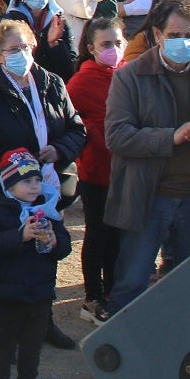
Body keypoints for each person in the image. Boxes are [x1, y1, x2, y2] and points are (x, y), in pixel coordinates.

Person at [104, 0, 190, 314]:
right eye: (174, 33)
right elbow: (117, 136)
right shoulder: (130, 77)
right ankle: (123, 355)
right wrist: (172, 137)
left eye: (188, 34)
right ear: (157, 34)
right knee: (131, 282)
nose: (182, 41)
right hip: (148, 198)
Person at [0, 17, 86, 348]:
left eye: (26, 47)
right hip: (5, 192)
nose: (22, 54)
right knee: (10, 256)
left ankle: (44, 322)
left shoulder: (52, 83)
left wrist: (59, 149)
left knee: (45, 251)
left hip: (46, 186)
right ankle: (9, 330)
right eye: (13, 49)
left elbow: (76, 128)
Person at [0, 148, 71, 379]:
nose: (34, 187)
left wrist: (54, 242)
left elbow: (63, 245)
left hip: (40, 290)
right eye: (26, 182)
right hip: (8, 291)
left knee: (32, 343)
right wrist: (21, 236)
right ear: (9, 185)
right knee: (4, 342)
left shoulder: (49, 210)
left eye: (37, 180)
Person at [65, 17, 123, 324]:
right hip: (96, 170)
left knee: (118, 232)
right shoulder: (81, 82)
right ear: (91, 48)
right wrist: (98, 135)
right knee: (98, 232)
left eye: (117, 43)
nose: (113, 49)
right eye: (105, 44)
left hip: (123, 169)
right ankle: (93, 296)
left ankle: (113, 289)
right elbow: (71, 124)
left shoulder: (126, 75)